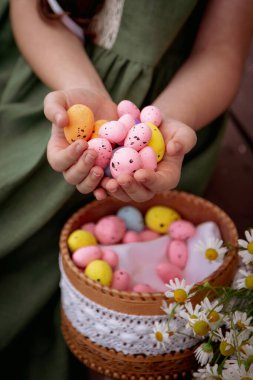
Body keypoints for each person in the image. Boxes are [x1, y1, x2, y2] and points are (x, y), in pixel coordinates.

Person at [0, 0, 252, 379]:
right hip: (55, 83)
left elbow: (221, 50)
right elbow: (29, 10)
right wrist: (79, 86)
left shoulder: (158, 137)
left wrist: (163, 130)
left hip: (176, 109)